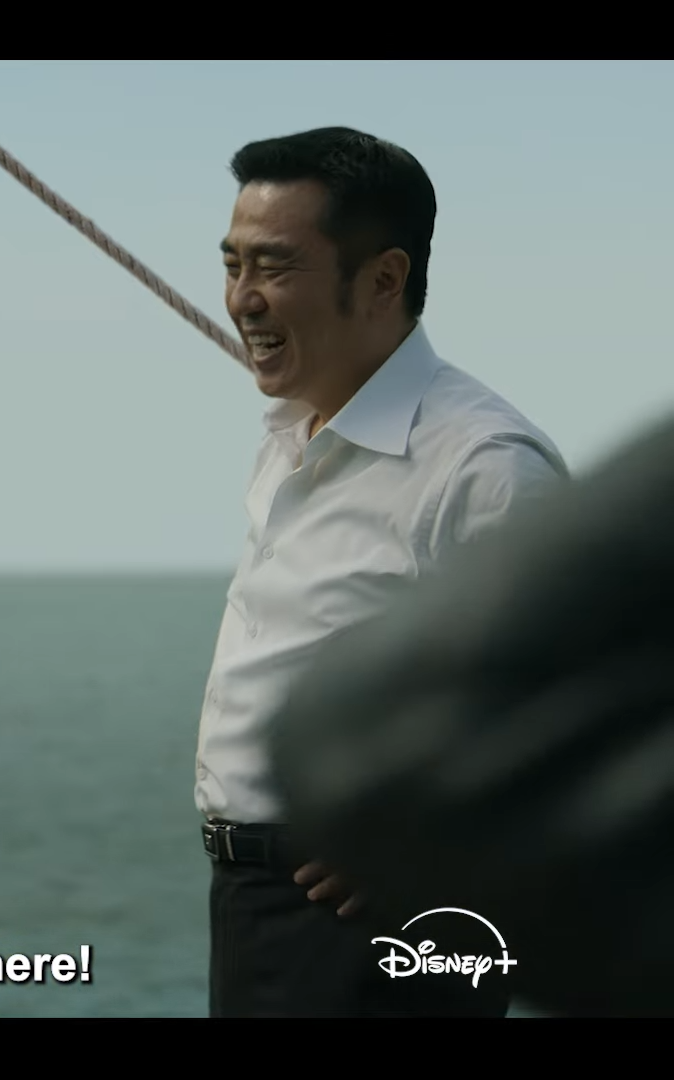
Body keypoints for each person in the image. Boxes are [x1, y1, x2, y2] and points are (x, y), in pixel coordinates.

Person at [193, 127, 568, 1017]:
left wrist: (430, 837)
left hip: (377, 920)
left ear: (384, 279)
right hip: (259, 908)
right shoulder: (296, 427)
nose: (243, 298)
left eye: (275, 267)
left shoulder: (482, 463)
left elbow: (577, 695)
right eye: (233, 265)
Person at [267, 407, 674, 1018]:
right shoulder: (289, 444)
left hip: (369, 894)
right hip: (291, 888)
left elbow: (357, 739)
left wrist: (399, 854)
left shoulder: (489, 455)